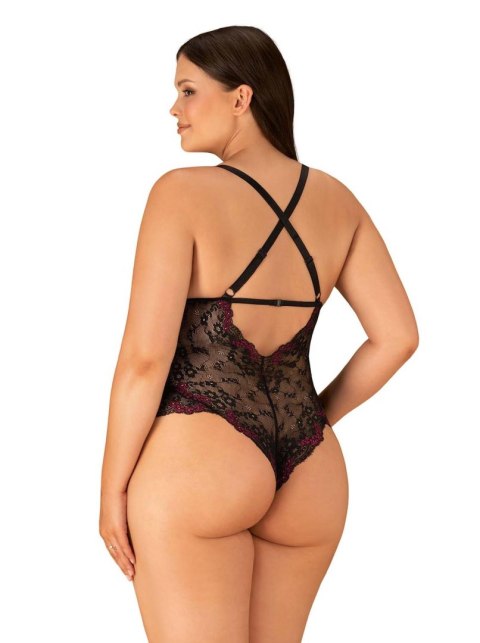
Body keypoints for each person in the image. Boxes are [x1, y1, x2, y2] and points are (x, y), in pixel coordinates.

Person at [99, 25, 419, 643]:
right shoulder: (338, 200)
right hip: (311, 470)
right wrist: (311, 418)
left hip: (199, 463)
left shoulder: (180, 193)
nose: (174, 109)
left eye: (188, 91)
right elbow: (398, 337)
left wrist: (112, 488)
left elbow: (144, 361)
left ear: (241, 97)